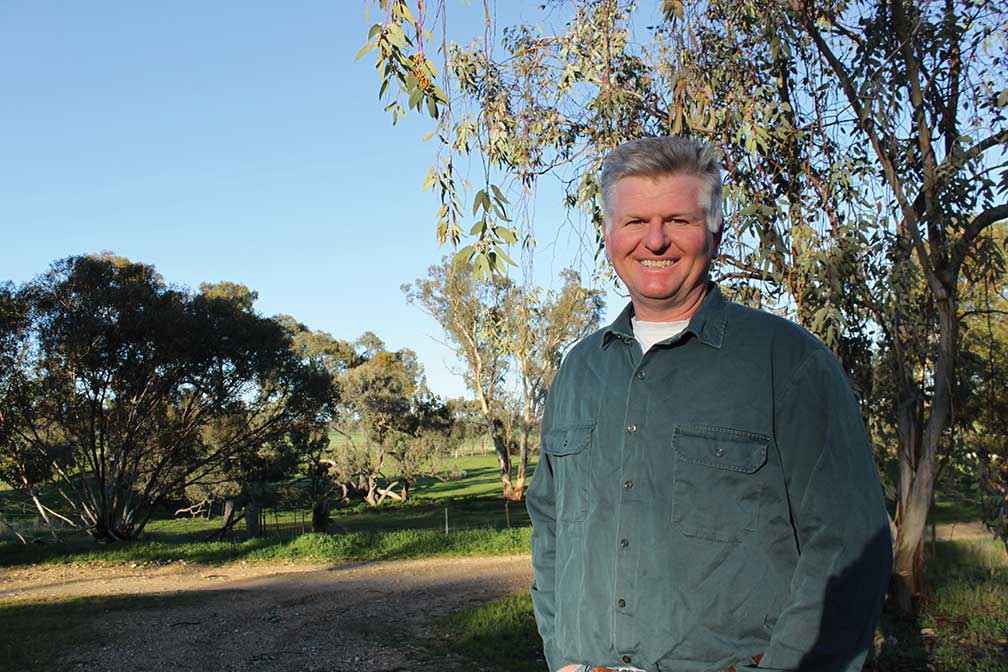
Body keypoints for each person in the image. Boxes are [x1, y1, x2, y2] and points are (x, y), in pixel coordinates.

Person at [525, 136, 892, 672]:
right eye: (634, 222)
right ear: (607, 234)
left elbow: (849, 546)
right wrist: (562, 655)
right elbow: (549, 526)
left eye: (678, 220)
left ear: (715, 230)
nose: (655, 241)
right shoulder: (579, 371)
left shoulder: (788, 364)